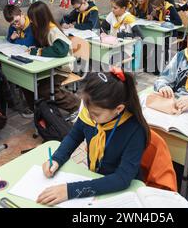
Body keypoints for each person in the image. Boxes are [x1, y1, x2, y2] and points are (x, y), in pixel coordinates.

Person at [36, 69, 151, 205]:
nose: (90, 117)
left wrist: (70, 191)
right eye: (87, 110)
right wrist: (56, 159)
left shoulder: (134, 130)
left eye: (96, 114)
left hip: (121, 191)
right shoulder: (90, 115)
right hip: (96, 180)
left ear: (118, 109)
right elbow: (73, 137)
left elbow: (122, 179)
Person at [27, 1, 80, 113]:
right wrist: (36, 48)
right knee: (29, 82)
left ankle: (77, 106)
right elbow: (46, 45)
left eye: (32, 18)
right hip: (50, 66)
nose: (30, 21)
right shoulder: (42, 28)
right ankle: (43, 110)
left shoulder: (53, 30)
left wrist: (38, 51)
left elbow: (60, 50)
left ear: (40, 18)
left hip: (62, 68)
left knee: (47, 90)